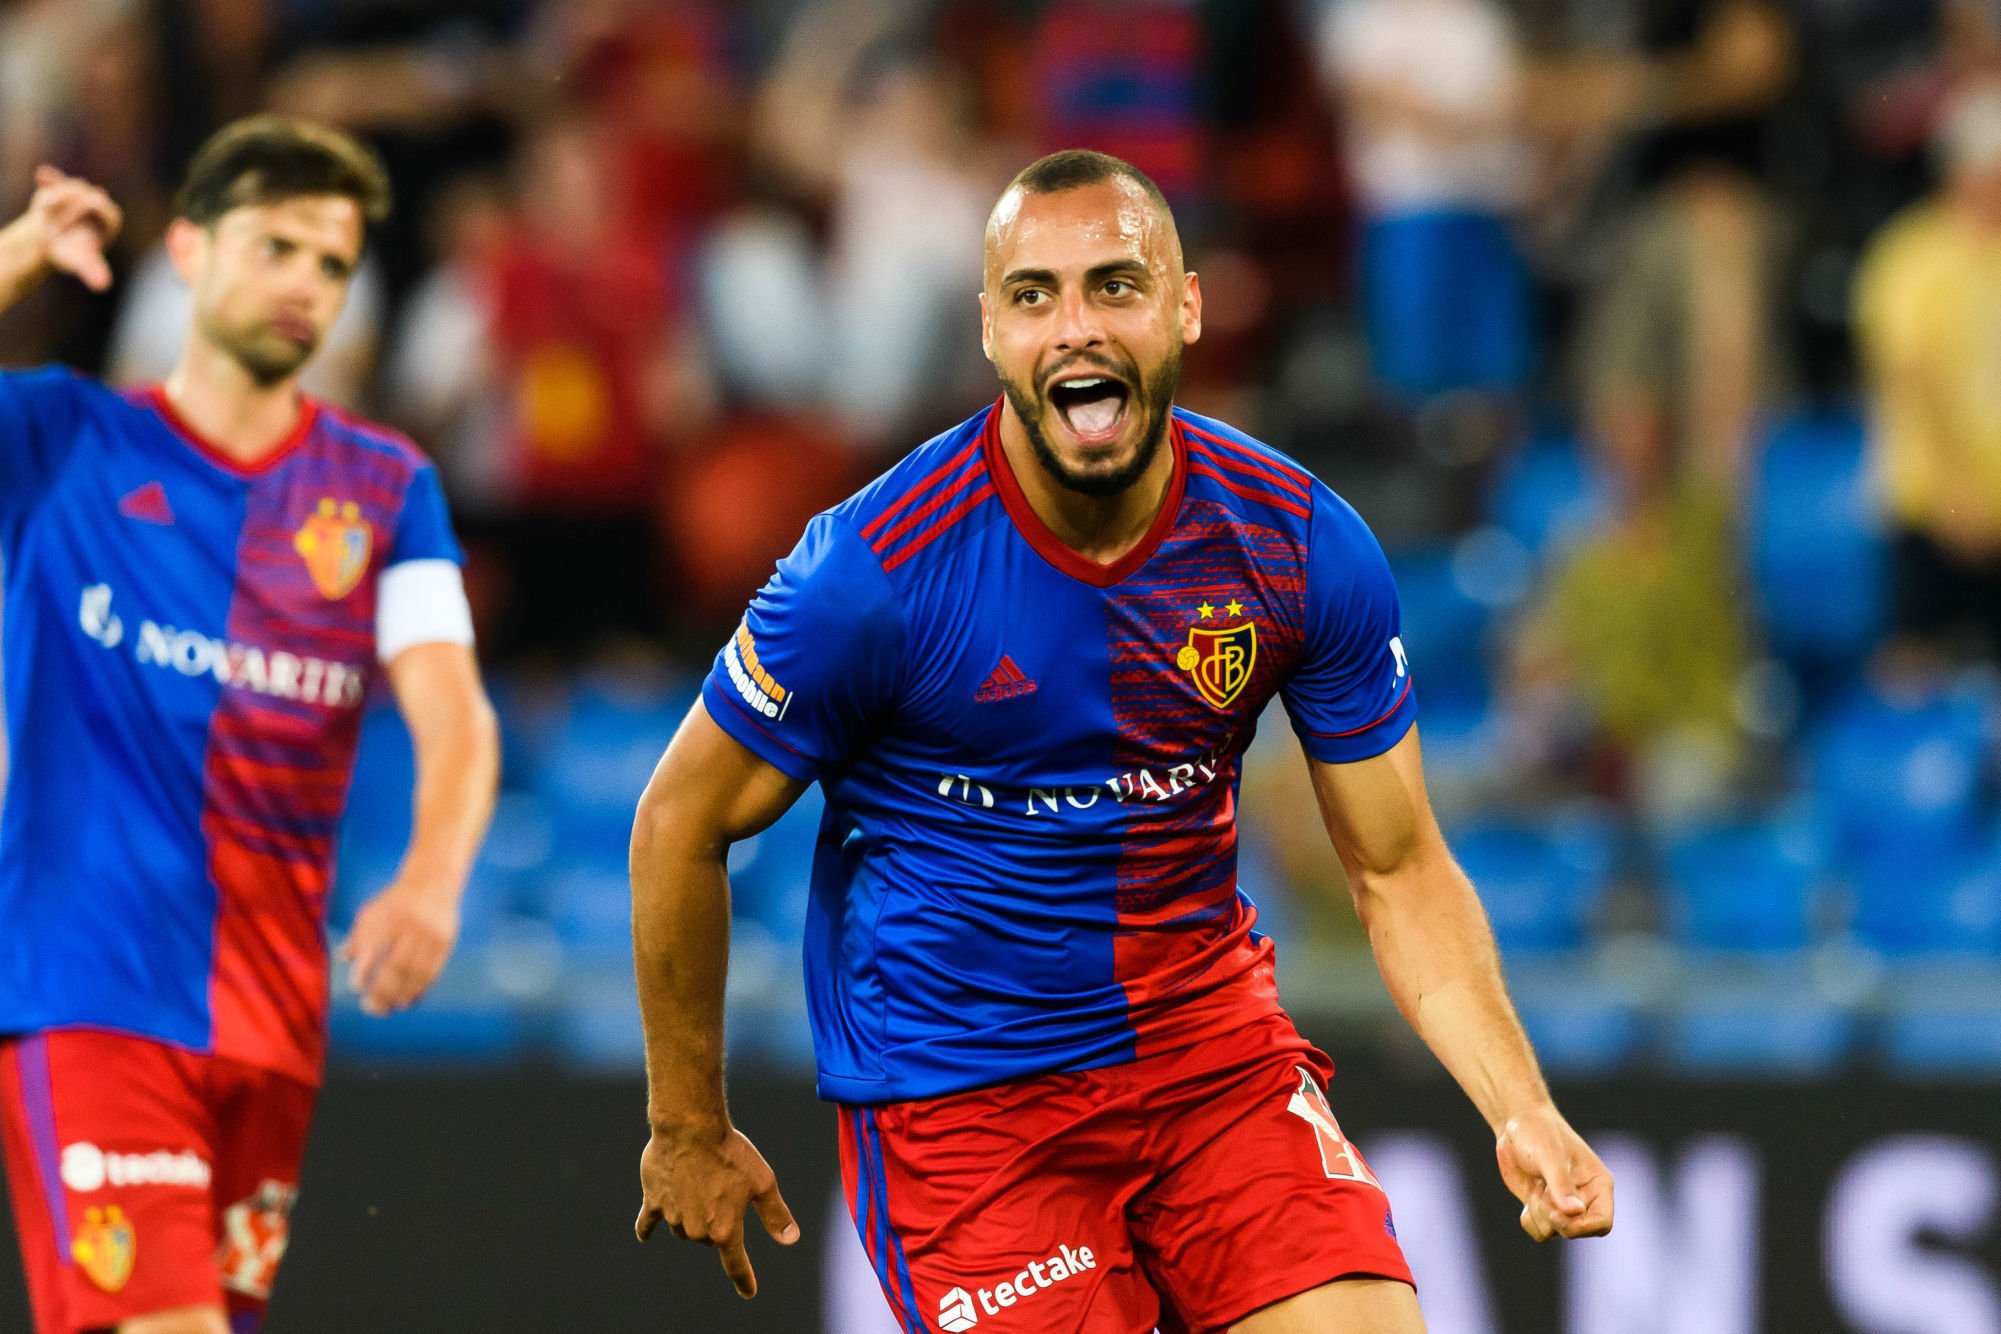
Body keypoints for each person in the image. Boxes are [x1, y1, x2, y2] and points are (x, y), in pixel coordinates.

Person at [629, 150, 1611, 1333]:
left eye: (1115, 284)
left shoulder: (1297, 544)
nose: (1076, 328)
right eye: (1033, 295)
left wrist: (1520, 1103)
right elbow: (679, 819)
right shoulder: (873, 572)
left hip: (1211, 1062)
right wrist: (686, 1123)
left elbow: (1399, 867)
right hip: (968, 1104)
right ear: (989, 331)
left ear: (1186, 306)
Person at [0, 116, 499, 1334]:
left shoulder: (387, 490)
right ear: (188, 248)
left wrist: (432, 880)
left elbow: (453, 711)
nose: (305, 285)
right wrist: (21, 249)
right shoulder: (61, 440)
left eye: (332, 264)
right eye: (276, 246)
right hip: (93, 989)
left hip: (272, 1021)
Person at [1854, 79, 2001, 664]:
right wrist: (1957, 493)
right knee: (1920, 667)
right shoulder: (1912, 256)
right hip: (1931, 506)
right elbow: (1910, 381)